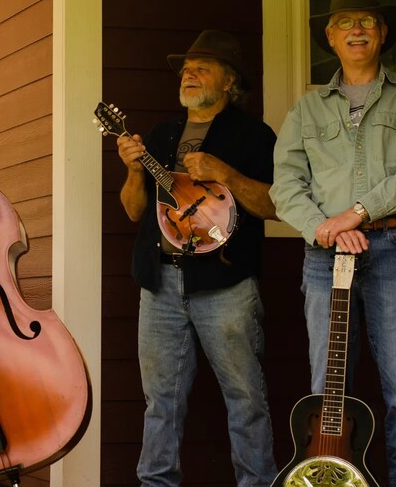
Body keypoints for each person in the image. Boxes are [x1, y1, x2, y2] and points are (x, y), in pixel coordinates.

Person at [271, 0, 396, 484]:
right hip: (324, 257)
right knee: (327, 394)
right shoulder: (307, 109)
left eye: (366, 21)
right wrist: (324, 228)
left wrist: (354, 213)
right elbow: (286, 185)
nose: (356, 29)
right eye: (344, 22)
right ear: (330, 39)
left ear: (382, 33)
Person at [116, 30, 278, 486]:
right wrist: (133, 170)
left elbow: (272, 205)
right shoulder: (160, 136)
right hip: (161, 284)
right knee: (160, 400)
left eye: (201, 67)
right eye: (186, 68)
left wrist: (224, 172)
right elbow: (133, 210)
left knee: (245, 396)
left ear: (229, 82)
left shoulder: (253, 135)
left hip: (226, 287)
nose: (189, 74)